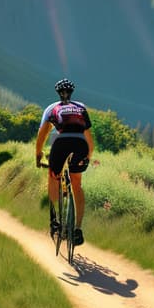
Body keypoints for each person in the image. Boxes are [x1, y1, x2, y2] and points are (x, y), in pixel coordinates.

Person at [35, 78, 94, 245]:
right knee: (76, 184)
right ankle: (78, 229)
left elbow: (42, 136)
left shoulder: (51, 109)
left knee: (53, 175)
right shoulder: (81, 107)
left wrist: (38, 155)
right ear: (72, 93)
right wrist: (88, 157)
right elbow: (89, 139)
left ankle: (55, 220)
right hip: (81, 144)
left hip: (61, 144)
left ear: (57, 93)